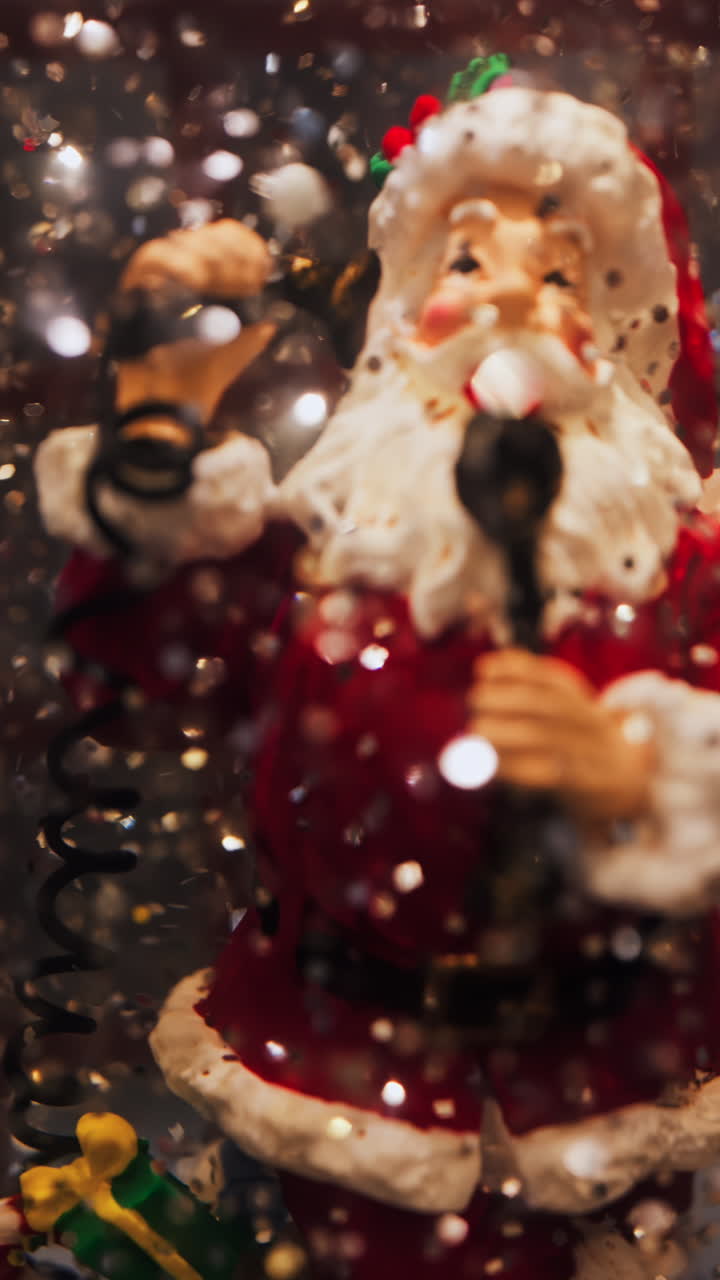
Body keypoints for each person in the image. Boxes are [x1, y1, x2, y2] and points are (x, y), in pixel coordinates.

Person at [31, 71, 720, 1278]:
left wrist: (650, 774)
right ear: (408, 314)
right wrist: (154, 444)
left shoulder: (680, 572)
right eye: (465, 261)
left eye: (559, 273)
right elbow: (145, 670)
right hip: (338, 1082)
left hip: (609, 1088)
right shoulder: (313, 556)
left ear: (611, 341)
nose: (507, 290)